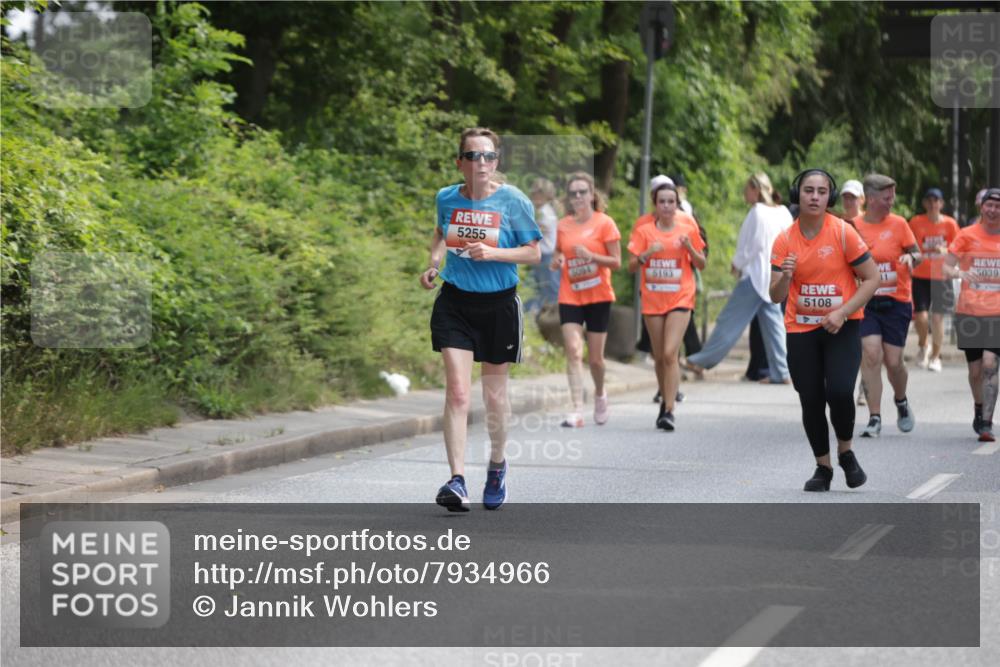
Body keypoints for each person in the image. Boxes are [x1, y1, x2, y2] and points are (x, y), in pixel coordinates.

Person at [421, 127, 542, 512]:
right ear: (460, 162)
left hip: (499, 305)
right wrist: (433, 264)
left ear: (497, 162)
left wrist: (494, 255)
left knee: (493, 397)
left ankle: (496, 464)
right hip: (455, 302)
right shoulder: (446, 198)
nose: (482, 163)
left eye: (489, 156)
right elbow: (441, 233)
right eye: (473, 156)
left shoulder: (513, 201)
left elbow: (533, 253)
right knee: (458, 391)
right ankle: (456, 480)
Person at [770, 169, 879, 491]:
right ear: (798, 195)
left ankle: (846, 452)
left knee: (841, 392)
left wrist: (842, 312)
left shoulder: (843, 233)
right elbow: (774, 295)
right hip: (801, 329)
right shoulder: (784, 239)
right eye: (808, 191)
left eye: (821, 191)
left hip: (841, 327)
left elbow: (872, 279)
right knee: (812, 398)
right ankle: (823, 467)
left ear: (828, 197)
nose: (814, 196)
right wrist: (785, 278)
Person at [682, 172, 792, 384]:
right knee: (774, 324)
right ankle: (782, 372)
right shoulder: (784, 212)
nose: (744, 194)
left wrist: (737, 264)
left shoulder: (757, 212)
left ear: (755, 190)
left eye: (746, 190)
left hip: (755, 276)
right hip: (774, 276)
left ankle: (700, 361)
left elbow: (751, 245)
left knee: (728, 321)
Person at [628, 182, 706, 431]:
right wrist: (647, 253)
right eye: (662, 201)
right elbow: (631, 265)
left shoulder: (687, 227)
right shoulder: (644, 230)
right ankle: (665, 397)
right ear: (655, 204)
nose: (667, 206)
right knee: (659, 355)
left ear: (677, 204)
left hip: (681, 298)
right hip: (652, 299)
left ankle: (668, 409)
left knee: (671, 353)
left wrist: (690, 248)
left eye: (671, 201)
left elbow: (701, 263)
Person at [550, 172, 622, 428]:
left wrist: (592, 256)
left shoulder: (605, 223)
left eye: (583, 192)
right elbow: (559, 250)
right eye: (573, 193)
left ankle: (600, 394)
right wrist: (557, 258)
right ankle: (577, 409)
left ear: (592, 195)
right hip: (570, 294)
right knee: (572, 350)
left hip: (598, 295)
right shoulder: (563, 225)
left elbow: (616, 261)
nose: (578, 197)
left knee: (595, 359)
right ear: (568, 198)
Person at [853, 174, 921, 438]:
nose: (891, 202)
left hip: (896, 301)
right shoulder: (854, 226)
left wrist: (909, 257)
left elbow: (918, 253)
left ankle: (901, 401)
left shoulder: (900, 224)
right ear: (870, 199)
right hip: (866, 302)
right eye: (886, 197)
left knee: (894, 362)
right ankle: (874, 417)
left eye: (892, 196)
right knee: (871, 355)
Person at [944, 187, 1000, 442]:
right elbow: (946, 267)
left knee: (990, 365)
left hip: (997, 312)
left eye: (998, 206)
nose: (993, 210)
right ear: (981, 207)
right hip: (969, 311)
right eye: (989, 205)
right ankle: (979, 407)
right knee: (976, 371)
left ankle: (987, 422)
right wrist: (960, 274)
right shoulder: (966, 235)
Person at [909, 187, 960, 372]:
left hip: (942, 276)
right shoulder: (916, 222)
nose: (932, 204)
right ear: (924, 204)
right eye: (929, 200)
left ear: (941, 203)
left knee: (938, 318)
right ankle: (924, 345)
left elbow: (958, 249)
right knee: (921, 317)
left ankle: (936, 357)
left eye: (936, 200)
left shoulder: (950, 224)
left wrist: (945, 251)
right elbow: (909, 246)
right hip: (921, 275)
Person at [840, 178, 869, 406]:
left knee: (865, 342)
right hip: (842, 290)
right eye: (845, 197)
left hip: (864, 290)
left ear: (862, 200)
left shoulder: (868, 223)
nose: (848, 201)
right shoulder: (836, 222)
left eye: (853, 197)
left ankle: (863, 387)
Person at [528, 178, 561, 311]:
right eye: (534, 194)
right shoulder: (541, 211)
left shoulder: (545, 213)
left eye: (538, 194)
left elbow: (538, 230)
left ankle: (551, 315)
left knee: (549, 288)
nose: (535, 197)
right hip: (541, 254)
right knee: (539, 287)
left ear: (545, 196)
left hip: (546, 255)